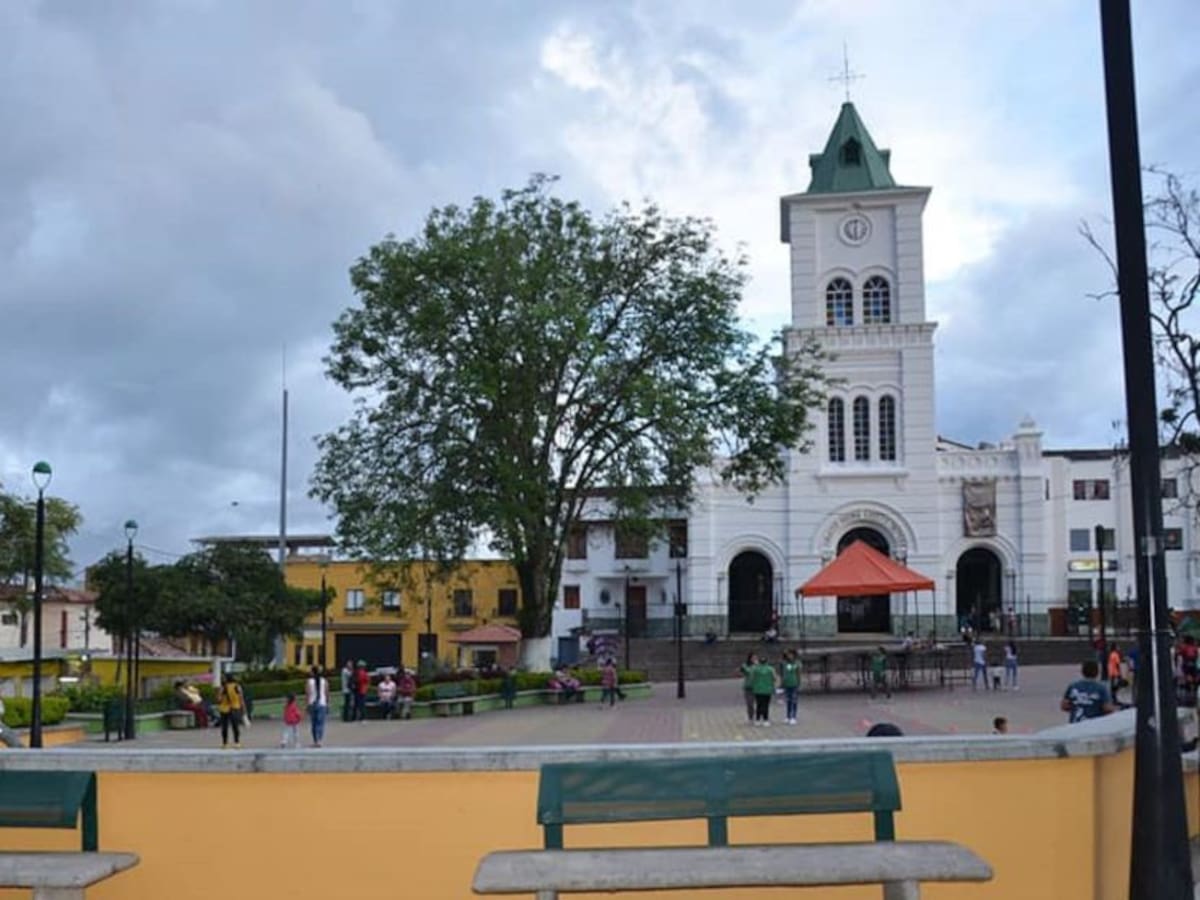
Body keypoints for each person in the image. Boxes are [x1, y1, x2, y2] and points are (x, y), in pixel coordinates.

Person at [216, 673, 246, 749]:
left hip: (224, 709)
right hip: (235, 707)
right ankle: (237, 743)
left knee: (224, 727)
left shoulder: (223, 687)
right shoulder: (237, 686)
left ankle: (225, 743)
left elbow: (219, 699)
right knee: (235, 726)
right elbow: (241, 698)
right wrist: (243, 708)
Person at [749, 654, 777, 726]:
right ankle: (766, 720)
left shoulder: (755, 669)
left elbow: (751, 679)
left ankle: (757, 720)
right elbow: (774, 678)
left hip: (758, 689)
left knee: (759, 704)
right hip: (767, 690)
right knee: (766, 705)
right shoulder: (771, 669)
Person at [305, 665, 329, 747]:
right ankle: (319, 740)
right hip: (322, 703)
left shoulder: (309, 681)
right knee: (320, 723)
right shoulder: (324, 681)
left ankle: (315, 740)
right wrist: (327, 703)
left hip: (312, 703)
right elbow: (326, 693)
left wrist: (307, 704)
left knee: (314, 723)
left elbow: (307, 694)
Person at [779, 649, 801, 725]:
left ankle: (793, 717)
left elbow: (798, 673)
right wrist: (782, 683)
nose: (790, 656)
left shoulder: (797, 663)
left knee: (794, 700)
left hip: (794, 683)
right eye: (788, 655)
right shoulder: (784, 663)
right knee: (788, 700)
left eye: (791, 654)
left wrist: (798, 683)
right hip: (787, 683)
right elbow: (782, 673)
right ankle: (788, 716)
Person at [739, 653, 756, 724]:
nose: (754, 660)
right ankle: (750, 717)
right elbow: (745, 671)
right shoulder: (745, 666)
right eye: (753, 658)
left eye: (755, 658)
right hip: (748, 687)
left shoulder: (758, 666)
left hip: (757, 687)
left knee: (759, 702)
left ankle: (758, 716)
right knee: (749, 703)